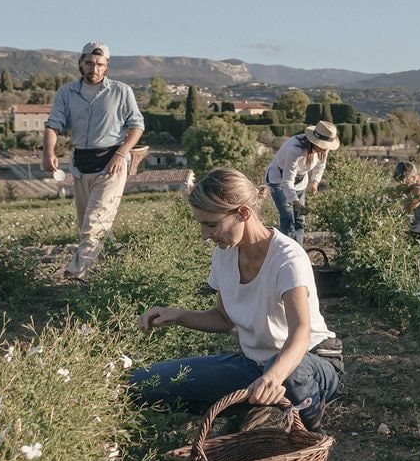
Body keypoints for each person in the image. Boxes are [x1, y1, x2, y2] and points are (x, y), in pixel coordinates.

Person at [130, 168, 341, 433]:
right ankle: (255, 407)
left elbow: (300, 333)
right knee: (141, 382)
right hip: (255, 367)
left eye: (211, 224)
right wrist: (178, 315)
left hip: (312, 362)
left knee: (293, 375)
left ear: (242, 213)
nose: (205, 235)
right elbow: (224, 317)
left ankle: (312, 436)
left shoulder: (288, 258)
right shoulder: (225, 253)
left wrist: (273, 376)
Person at [42, 41, 145, 279]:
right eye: (89, 63)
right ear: (80, 63)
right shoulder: (66, 93)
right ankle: (118, 271)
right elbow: (53, 125)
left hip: (112, 164)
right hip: (80, 165)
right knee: (92, 227)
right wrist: (48, 151)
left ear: (107, 66)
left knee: (93, 224)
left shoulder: (121, 91)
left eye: (99, 64)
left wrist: (121, 154)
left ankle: (76, 275)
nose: (94, 69)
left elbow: (136, 126)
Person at [264, 120, 340, 242]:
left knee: (299, 220)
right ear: (315, 141)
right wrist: (296, 202)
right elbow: (287, 180)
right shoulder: (295, 150)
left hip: (299, 181)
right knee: (287, 218)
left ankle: (299, 251)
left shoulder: (323, 147)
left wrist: (315, 182)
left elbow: (321, 165)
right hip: (279, 179)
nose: (325, 150)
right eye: (323, 146)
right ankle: (286, 254)